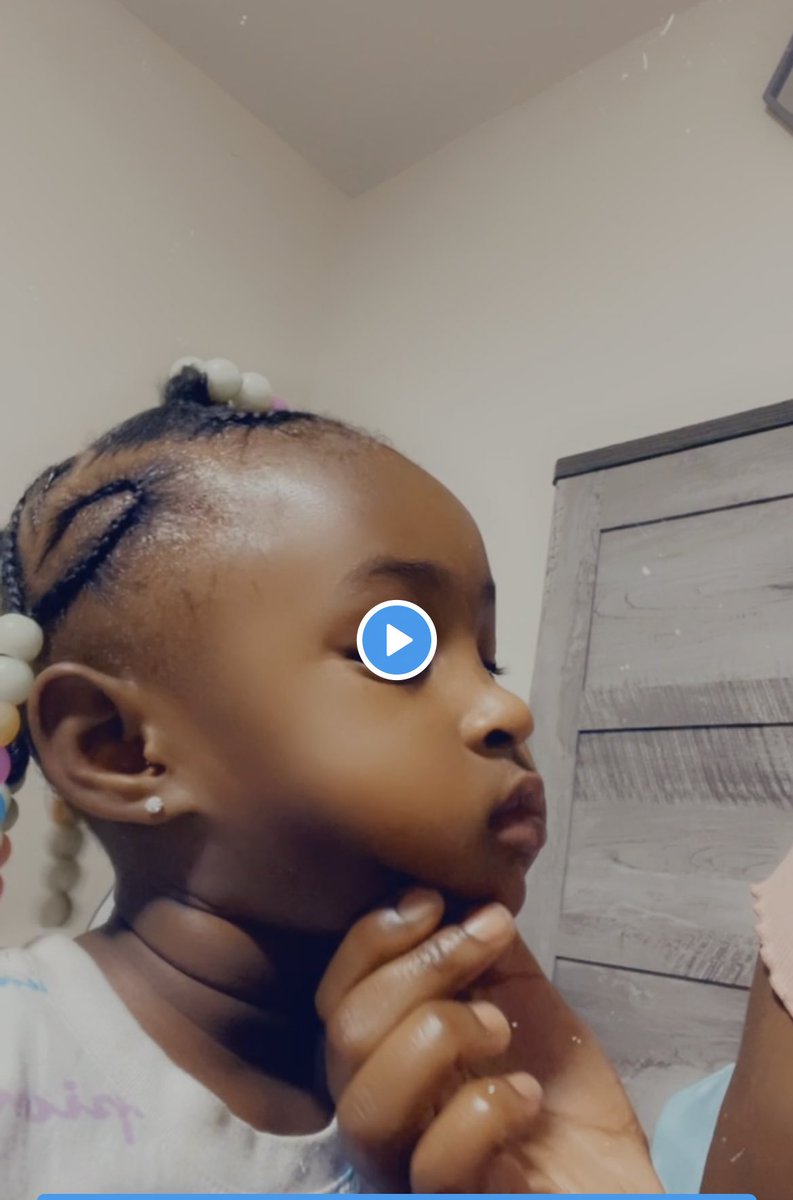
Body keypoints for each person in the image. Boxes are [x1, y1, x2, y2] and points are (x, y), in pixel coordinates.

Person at [0, 356, 662, 1194]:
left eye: (488, 657)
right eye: (395, 653)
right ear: (117, 750)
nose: (506, 709)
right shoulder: (19, 1060)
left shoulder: (506, 1082)